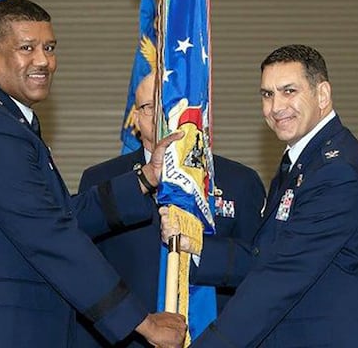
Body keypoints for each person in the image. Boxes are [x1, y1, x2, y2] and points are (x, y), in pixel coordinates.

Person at [0, 0, 186, 348]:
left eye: (49, 48)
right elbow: (51, 234)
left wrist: (146, 177)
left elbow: (60, 215)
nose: (43, 60)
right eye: (27, 48)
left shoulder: (4, 119)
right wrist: (142, 322)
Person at [161, 44, 358, 347]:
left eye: (289, 91)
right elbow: (268, 254)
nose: (276, 107)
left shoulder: (337, 172)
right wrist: (197, 247)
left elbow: (280, 276)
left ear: (322, 95)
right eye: (267, 94)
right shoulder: (302, 161)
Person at [75, 73, 266, 347]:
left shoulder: (240, 181)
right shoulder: (101, 180)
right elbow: (85, 273)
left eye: (171, 103)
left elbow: (259, 269)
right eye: (149, 107)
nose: (162, 115)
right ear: (135, 119)